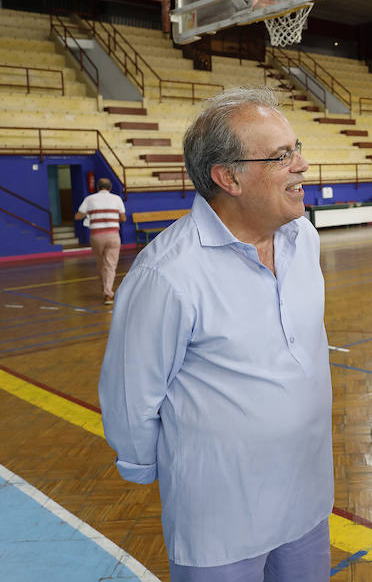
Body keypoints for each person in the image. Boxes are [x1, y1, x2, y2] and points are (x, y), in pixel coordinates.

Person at [98, 88, 333, 582]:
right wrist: (145, 466)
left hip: (307, 495)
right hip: (222, 516)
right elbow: (131, 395)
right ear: (228, 178)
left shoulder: (304, 239)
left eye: (297, 148)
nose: (303, 165)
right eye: (280, 156)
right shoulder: (168, 273)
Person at [74, 177, 126, 305]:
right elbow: (123, 218)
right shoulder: (117, 199)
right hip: (113, 236)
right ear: (110, 188)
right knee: (110, 265)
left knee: (101, 264)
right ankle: (108, 294)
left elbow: (77, 216)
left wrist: (90, 214)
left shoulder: (90, 199)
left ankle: (105, 289)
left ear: (98, 187)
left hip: (96, 236)